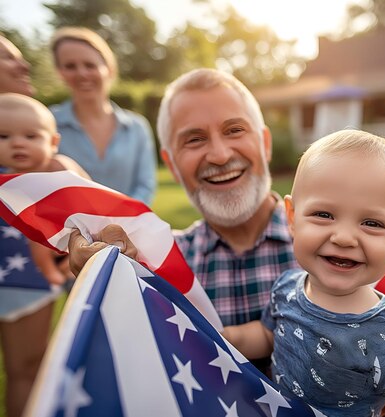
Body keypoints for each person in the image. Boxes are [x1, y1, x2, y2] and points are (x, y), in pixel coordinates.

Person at [221, 129, 385, 417]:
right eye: (324, 215)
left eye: (371, 222)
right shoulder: (286, 286)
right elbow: (270, 335)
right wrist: (227, 336)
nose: (344, 237)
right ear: (291, 217)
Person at [69, 68, 299, 329]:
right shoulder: (158, 267)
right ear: (172, 165)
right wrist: (106, 274)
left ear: (265, 144)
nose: (220, 155)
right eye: (195, 139)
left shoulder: (332, 245)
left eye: (234, 130)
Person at [0, 34, 59, 417]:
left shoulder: (45, 156)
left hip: (26, 280)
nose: (23, 65)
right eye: (7, 58)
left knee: (27, 370)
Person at [49, 27, 156, 205]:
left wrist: (118, 219)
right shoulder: (47, 123)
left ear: (109, 69)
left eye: (90, 65)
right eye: (70, 66)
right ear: (60, 73)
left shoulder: (137, 127)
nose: (81, 73)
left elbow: (145, 187)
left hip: (129, 228)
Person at [0, 92, 90, 285]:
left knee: (38, 236)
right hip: (43, 232)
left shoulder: (59, 167)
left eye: (31, 136)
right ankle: (50, 272)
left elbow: (85, 200)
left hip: (79, 223)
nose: (17, 143)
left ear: (53, 142)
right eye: (3, 136)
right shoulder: (8, 177)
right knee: (37, 236)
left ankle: (50, 272)